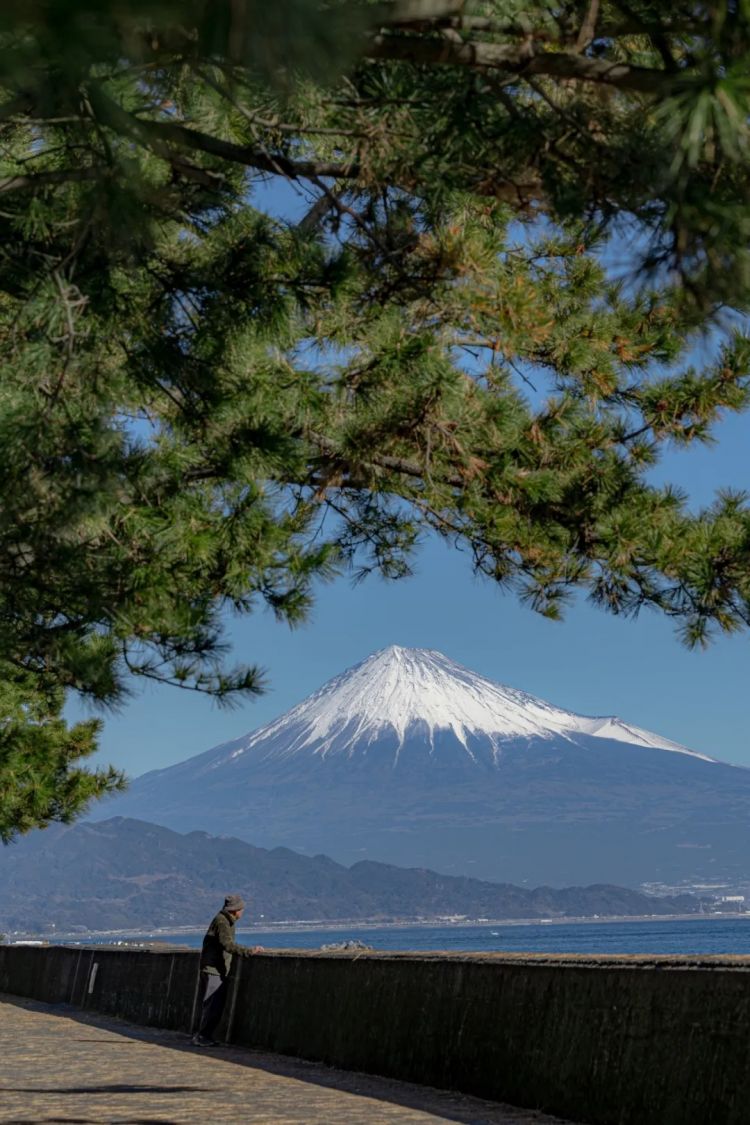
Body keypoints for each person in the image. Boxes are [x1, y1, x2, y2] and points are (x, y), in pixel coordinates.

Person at [191, 893, 263, 1046]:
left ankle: (204, 1036)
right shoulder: (222, 922)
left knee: (213, 1005)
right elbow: (227, 944)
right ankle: (202, 1037)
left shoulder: (225, 920)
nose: (242, 912)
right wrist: (248, 951)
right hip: (213, 970)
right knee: (213, 1005)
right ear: (235, 910)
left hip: (214, 968)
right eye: (241, 909)